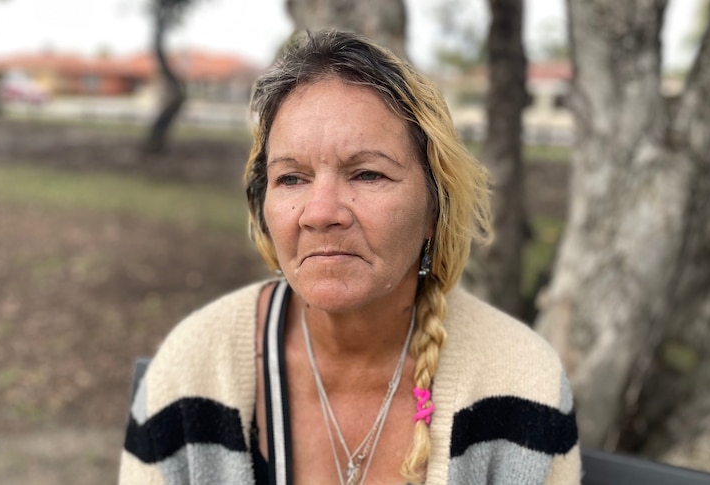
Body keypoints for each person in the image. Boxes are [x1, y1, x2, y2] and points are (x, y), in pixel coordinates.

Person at [119, 29, 580, 485]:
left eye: (366, 174)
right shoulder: (193, 371)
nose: (320, 214)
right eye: (292, 179)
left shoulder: (520, 384)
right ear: (263, 208)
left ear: (434, 209)